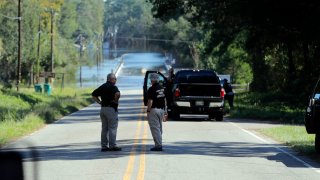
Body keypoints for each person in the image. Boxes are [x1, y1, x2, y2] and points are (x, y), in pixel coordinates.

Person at [92, 73, 121, 151]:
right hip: (111, 109)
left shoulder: (102, 86)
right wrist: (115, 100)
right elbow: (117, 94)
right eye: (115, 79)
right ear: (110, 79)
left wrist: (99, 102)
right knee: (112, 128)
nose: (115, 80)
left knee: (104, 128)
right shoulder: (113, 87)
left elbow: (94, 95)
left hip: (103, 109)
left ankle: (104, 146)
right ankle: (112, 145)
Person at [146, 73, 168, 151]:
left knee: (155, 128)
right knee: (159, 128)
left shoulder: (151, 89)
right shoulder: (162, 88)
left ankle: (158, 145)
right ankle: (158, 143)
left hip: (154, 110)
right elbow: (165, 100)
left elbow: (150, 101)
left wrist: (148, 111)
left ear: (152, 80)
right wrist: (165, 112)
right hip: (161, 110)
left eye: (150, 80)